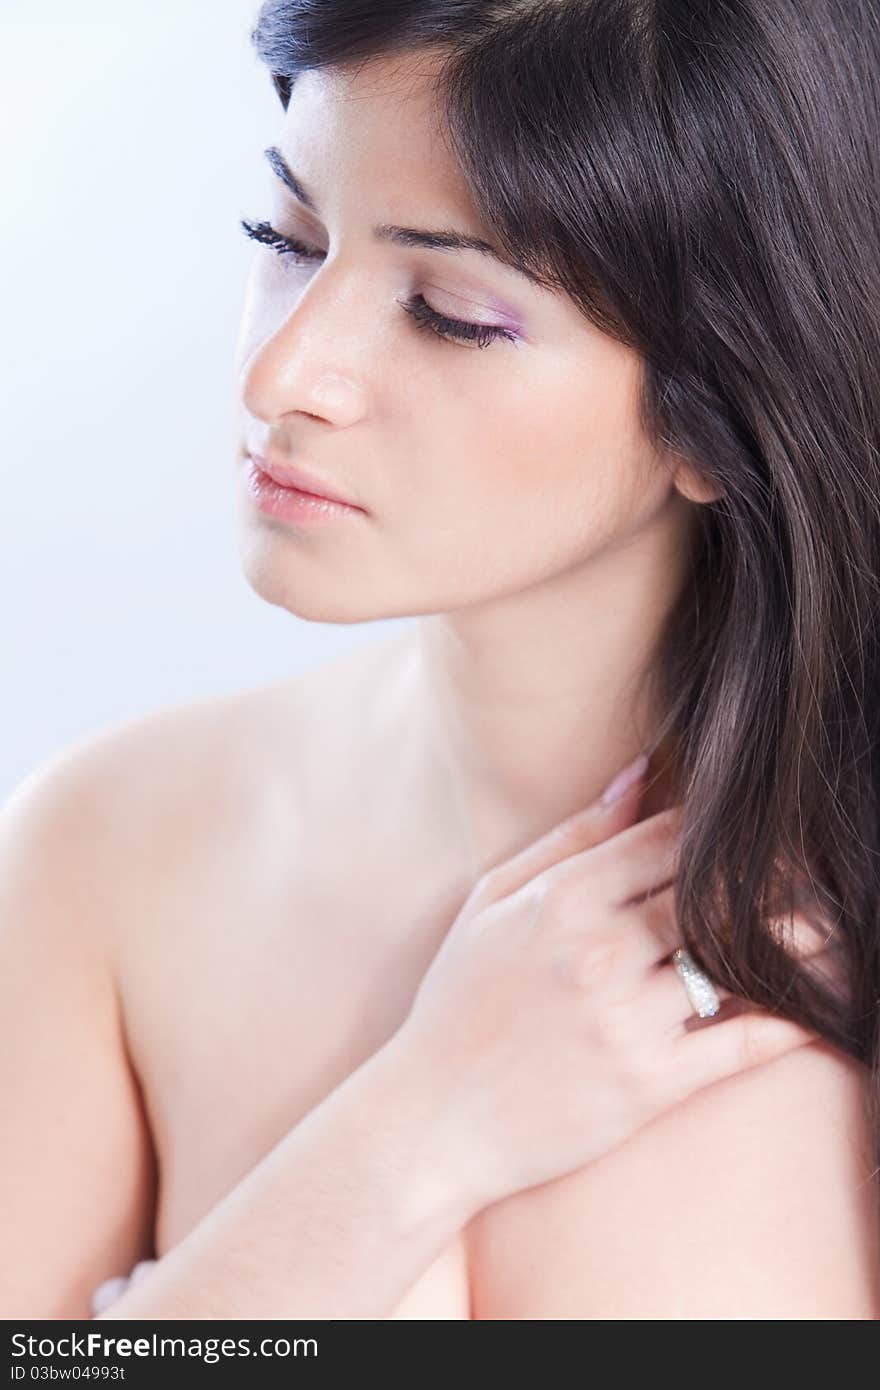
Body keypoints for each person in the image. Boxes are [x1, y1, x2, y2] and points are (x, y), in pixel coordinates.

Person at [3, 0, 880, 1319]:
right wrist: (414, 1133)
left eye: (452, 312)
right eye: (287, 238)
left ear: (724, 415)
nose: (282, 372)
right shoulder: (106, 851)